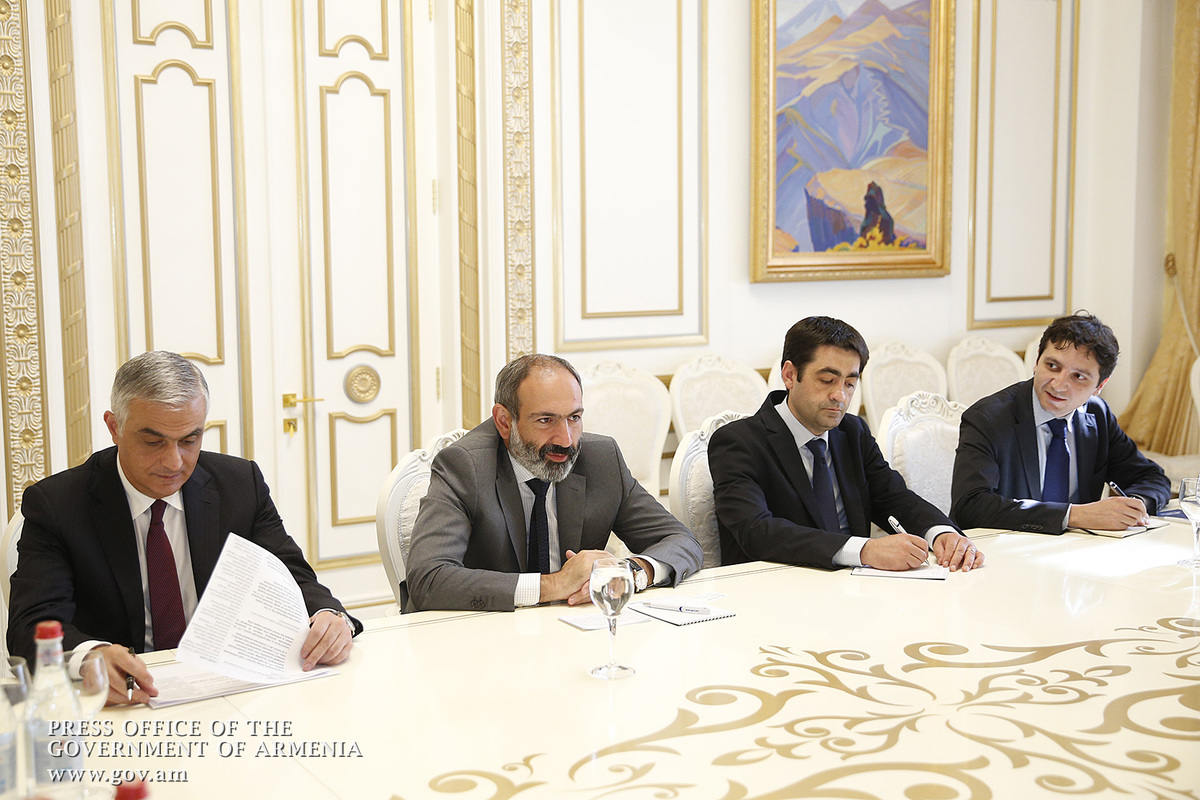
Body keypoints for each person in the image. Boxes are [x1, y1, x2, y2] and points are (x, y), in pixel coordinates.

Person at [7, 351, 360, 706]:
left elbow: (294, 576)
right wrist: (90, 657)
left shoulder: (240, 484)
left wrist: (330, 617)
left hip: (229, 688)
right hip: (126, 700)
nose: (174, 462)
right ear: (114, 427)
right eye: (153, 442)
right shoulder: (58, 505)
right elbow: (31, 625)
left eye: (189, 440)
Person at [405, 354, 703, 611]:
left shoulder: (601, 459)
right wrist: (556, 585)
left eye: (574, 418)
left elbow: (681, 542)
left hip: (575, 630)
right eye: (545, 420)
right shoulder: (465, 466)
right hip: (482, 636)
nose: (566, 440)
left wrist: (632, 573)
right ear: (504, 421)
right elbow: (428, 579)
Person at [710, 316, 983, 572]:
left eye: (850, 383)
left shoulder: (853, 432)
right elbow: (757, 532)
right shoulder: (737, 442)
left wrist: (941, 532)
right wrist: (865, 551)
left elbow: (894, 498)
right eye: (827, 380)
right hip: (776, 587)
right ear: (790, 375)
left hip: (857, 586)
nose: (840, 395)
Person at [951, 312, 1170, 533]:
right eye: (1053, 366)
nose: (1059, 385)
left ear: (1099, 386)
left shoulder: (1097, 415)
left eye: (1079, 377)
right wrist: (1074, 515)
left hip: (1080, 548)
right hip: (1005, 547)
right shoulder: (988, 418)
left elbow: (1151, 477)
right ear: (1037, 361)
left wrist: (1133, 507)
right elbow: (970, 506)